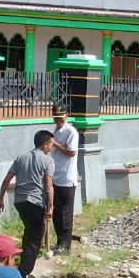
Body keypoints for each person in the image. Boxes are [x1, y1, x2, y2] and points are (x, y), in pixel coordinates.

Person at [0, 131, 55, 278]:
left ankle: (21, 264)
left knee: (29, 233)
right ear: (45, 144)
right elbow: (48, 186)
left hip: (20, 202)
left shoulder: (21, 158)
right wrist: (51, 207)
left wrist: (1, 198)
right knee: (35, 238)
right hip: (36, 202)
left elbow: (6, 180)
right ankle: (22, 273)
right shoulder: (48, 161)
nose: (51, 148)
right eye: (51, 145)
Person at [49, 106, 80, 255]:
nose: (58, 121)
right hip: (56, 176)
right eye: (56, 118)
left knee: (65, 213)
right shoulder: (55, 131)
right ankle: (59, 241)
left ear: (66, 116)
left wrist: (55, 144)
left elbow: (72, 152)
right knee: (56, 211)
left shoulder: (71, 132)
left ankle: (66, 245)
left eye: (61, 118)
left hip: (67, 178)